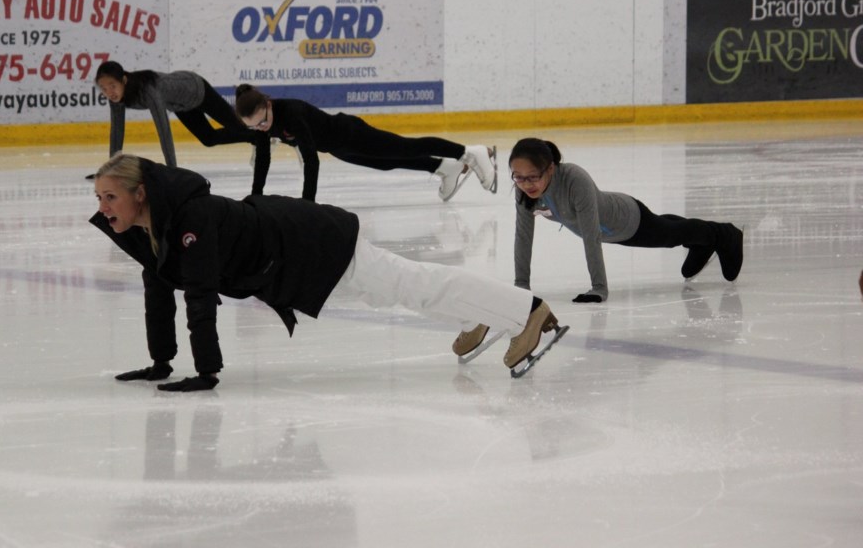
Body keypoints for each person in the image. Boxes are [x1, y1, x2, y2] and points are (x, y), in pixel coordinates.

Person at [89, 153, 564, 390]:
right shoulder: (152, 229)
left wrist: (207, 372)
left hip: (312, 243)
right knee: (395, 290)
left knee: (409, 283)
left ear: (140, 194)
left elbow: (198, 295)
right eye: (99, 199)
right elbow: (158, 289)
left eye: (111, 197)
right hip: (295, 254)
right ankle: (473, 315)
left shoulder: (191, 221)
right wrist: (161, 362)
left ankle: (528, 313)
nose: (104, 207)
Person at [508, 138, 744, 303]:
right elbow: (523, 236)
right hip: (612, 230)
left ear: (550, 169)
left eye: (533, 177)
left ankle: (725, 234)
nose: (526, 184)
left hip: (627, 219)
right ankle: (701, 242)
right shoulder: (524, 191)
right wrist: (521, 286)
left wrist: (599, 288)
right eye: (518, 177)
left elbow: (591, 235)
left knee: (670, 235)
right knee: (670, 228)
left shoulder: (574, 180)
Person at [232, 83, 497, 202]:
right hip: (339, 147)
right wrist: (256, 196)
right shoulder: (262, 125)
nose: (261, 129)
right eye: (253, 127)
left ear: (268, 104)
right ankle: (442, 166)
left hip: (350, 133)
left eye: (262, 122)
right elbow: (263, 159)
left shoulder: (292, 112)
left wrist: (307, 204)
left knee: (405, 147)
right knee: (386, 164)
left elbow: (310, 158)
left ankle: (467, 152)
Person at [93, 61, 252, 172]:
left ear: (124, 80)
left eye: (112, 86)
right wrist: (111, 169)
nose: (109, 93)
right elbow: (117, 131)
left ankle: (264, 134)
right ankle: (256, 136)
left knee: (237, 126)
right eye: (104, 89)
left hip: (195, 88)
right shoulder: (115, 98)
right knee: (208, 139)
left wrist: (172, 169)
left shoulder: (148, 90)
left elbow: (164, 131)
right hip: (180, 105)